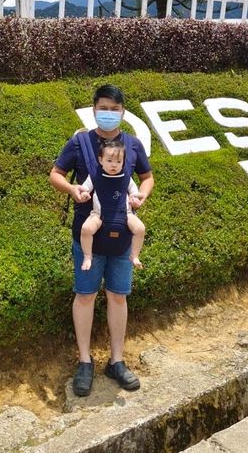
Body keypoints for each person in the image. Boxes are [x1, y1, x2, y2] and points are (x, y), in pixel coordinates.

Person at [49, 84, 154, 397]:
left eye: (114, 108)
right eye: (103, 107)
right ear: (94, 109)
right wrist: (72, 190)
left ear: (122, 111)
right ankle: (84, 361)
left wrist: (141, 198)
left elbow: (147, 178)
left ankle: (117, 361)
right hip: (88, 237)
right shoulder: (79, 141)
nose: (108, 113)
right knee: (85, 295)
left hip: (122, 238)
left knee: (119, 296)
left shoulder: (133, 145)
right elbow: (56, 174)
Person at [78, 138, 146, 271]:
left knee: (140, 228)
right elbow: (84, 188)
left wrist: (135, 199)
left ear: (123, 162)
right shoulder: (94, 175)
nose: (114, 165)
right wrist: (85, 194)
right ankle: (87, 256)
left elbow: (134, 192)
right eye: (109, 161)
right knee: (86, 229)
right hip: (99, 214)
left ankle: (134, 255)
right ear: (100, 160)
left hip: (125, 213)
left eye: (118, 162)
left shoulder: (126, 177)